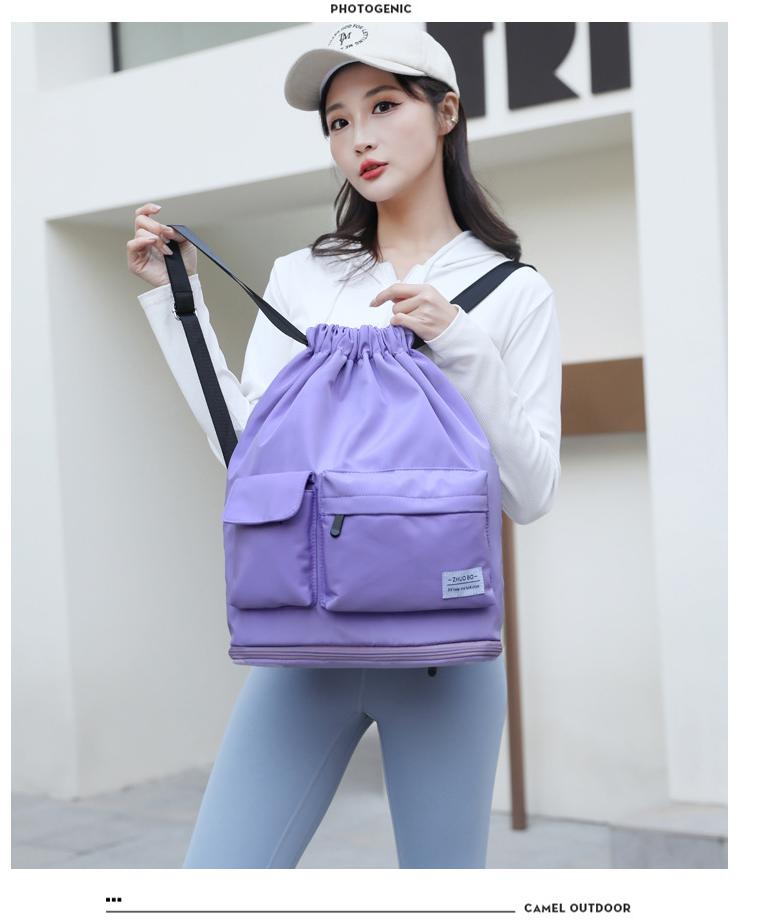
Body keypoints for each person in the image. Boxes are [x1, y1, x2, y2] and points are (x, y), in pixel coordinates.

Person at [127, 23, 561, 869]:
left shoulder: (515, 292)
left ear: (446, 112)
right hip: (302, 648)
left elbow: (531, 493)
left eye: (384, 105)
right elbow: (252, 459)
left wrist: (460, 343)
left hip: (444, 659)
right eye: (337, 121)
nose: (358, 136)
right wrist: (179, 308)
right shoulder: (302, 276)